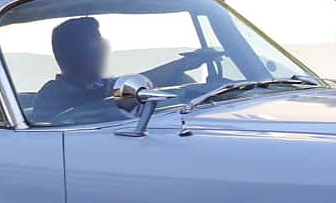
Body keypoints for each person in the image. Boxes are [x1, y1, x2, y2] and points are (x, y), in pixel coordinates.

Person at [31, 15, 214, 123]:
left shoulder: (100, 85)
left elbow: (141, 81)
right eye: (95, 46)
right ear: (76, 55)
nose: (103, 51)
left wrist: (183, 65)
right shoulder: (53, 95)